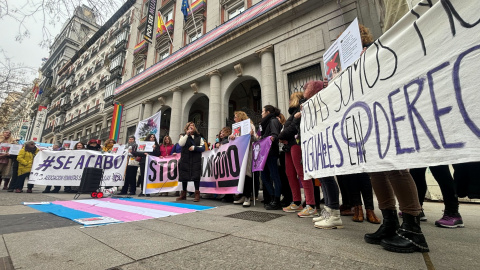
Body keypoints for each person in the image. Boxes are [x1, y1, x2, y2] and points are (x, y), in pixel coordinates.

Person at [279, 92, 317, 218]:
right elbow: (287, 128)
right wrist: (283, 135)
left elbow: (291, 129)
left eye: (291, 98)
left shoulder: (300, 110)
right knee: (290, 173)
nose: (289, 101)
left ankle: (311, 204)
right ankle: (296, 201)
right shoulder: (293, 113)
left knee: (301, 173)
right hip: (289, 145)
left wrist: (281, 136)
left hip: (296, 143)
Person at [256, 105, 282, 210]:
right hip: (264, 153)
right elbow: (262, 135)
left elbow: (275, 134)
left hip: (271, 152)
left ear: (267, 112)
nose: (261, 113)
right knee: (264, 177)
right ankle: (272, 198)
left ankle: (276, 199)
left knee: (274, 176)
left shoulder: (273, 121)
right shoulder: (264, 123)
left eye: (263, 111)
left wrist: (273, 137)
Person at [229, 111, 256, 207]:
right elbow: (232, 138)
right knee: (240, 175)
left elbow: (256, 139)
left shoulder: (250, 126)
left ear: (241, 117)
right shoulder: (236, 128)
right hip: (238, 153)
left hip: (247, 153)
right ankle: (243, 196)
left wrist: (252, 135)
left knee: (247, 174)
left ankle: (248, 197)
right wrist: (231, 137)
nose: (234, 119)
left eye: (236, 117)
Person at [176, 122, 205, 202]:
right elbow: (181, 144)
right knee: (184, 175)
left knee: (196, 176)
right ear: (187, 128)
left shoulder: (199, 137)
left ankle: (197, 193)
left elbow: (203, 148)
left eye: (192, 126)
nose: (191, 127)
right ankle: (183, 194)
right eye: (189, 126)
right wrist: (186, 134)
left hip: (195, 159)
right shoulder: (183, 136)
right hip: (185, 158)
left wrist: (194, 148)